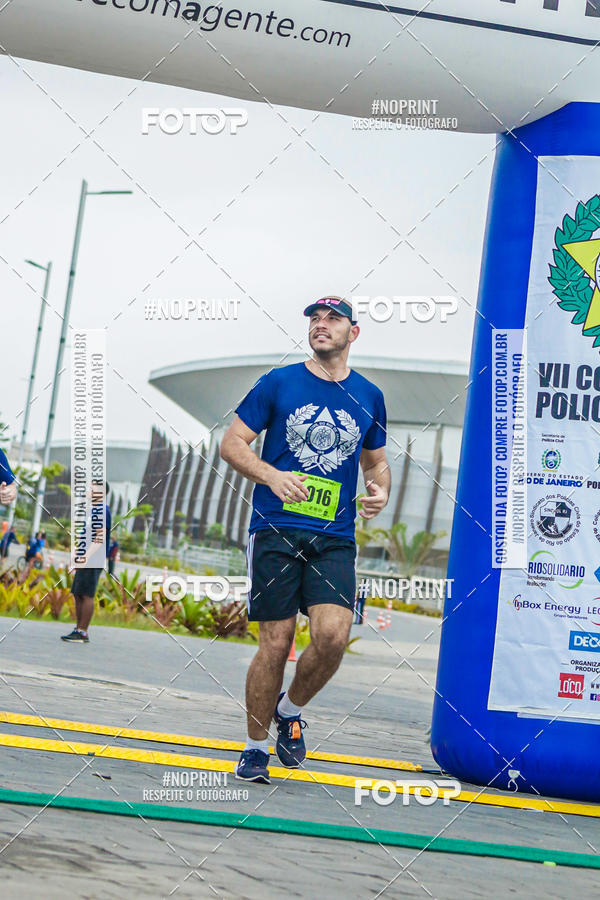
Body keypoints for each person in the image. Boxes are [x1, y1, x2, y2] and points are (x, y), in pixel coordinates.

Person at [220, 296, 390, 784]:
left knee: (333, 637)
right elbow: (232, 443)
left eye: (332, 319)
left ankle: (289, 711)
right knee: (275, 643)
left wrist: (380, 492)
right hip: (275, 528)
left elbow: (376, 462)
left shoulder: (369, 396)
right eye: (315, 319)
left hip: (335, 536)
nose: (321, 325)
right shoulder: (279, 382)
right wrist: (272, 476)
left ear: (352, 333)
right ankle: (254, 749)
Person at [61, 480, 112, 643]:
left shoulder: (103, 510)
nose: (89, 491)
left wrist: (86, 557)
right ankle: (77, 629)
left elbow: (100, 536)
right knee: (78, 593)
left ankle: (83, 632)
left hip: (93, 559)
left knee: (87, 594)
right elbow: (85, 536)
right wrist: (76, 554)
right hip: (84, 558)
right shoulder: (92, 510)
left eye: (92, 488)